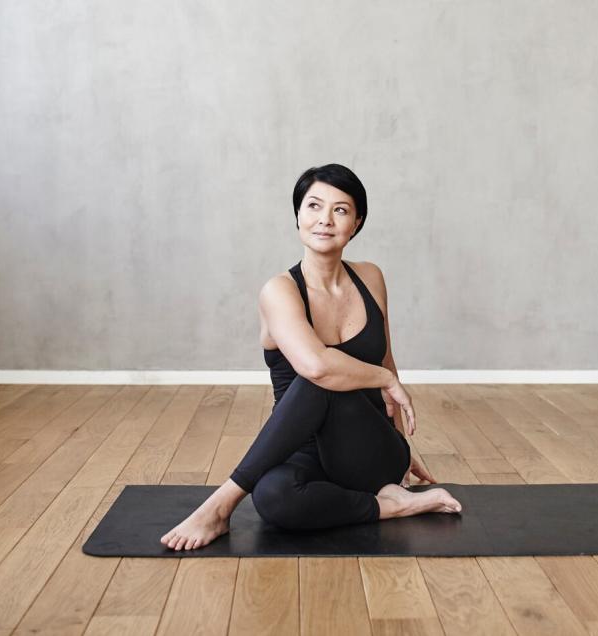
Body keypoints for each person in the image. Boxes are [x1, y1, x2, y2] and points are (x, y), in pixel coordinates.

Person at [160, 163, 462, 551]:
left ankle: (220, 507)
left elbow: (385, 362)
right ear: (298, 217)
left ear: (357, 223)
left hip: (367, 450)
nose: (325, 219)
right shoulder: (279, 291)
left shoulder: (370, 276)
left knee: (319, 376)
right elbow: (322, 366)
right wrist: (386, 382)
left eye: (340, 210)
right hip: (303, 448)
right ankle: (388, 507)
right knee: (273, 497)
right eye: (314, 206)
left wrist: (397, 450)